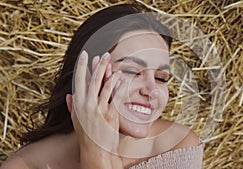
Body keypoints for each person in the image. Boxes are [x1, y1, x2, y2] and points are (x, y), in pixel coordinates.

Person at [1, 4, 203, 169]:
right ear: (85, 77)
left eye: (161, 78)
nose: (151, 91)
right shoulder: (25, 166)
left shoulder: (177, 148)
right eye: (132, 72)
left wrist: (95, 156)